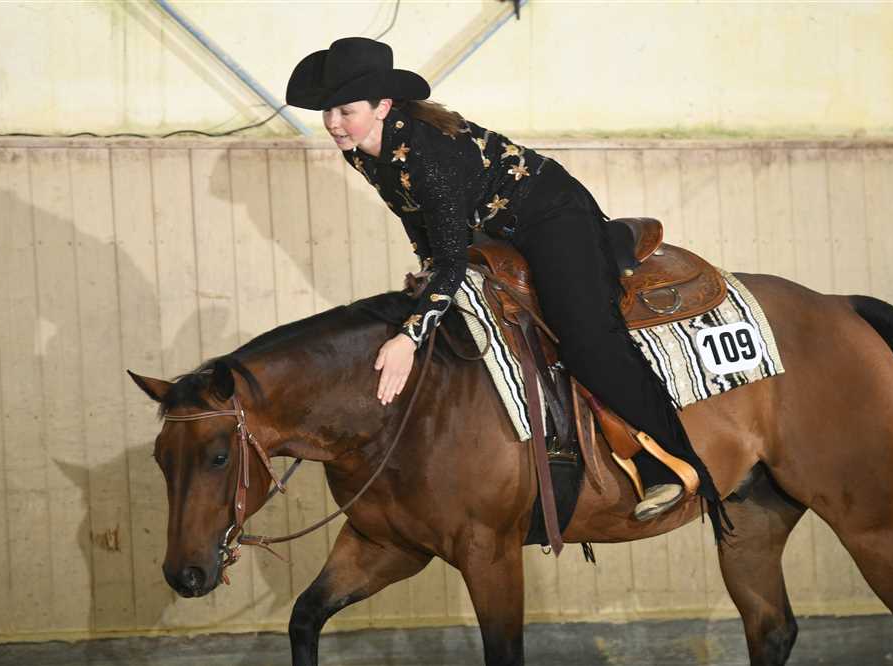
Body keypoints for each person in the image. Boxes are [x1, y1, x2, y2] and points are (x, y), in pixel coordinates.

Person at [287, 37, 722, 523]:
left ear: (382, 106)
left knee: (587, 340)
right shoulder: (361, 149)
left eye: (345, 111)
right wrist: (427, 270)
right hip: (492, 227)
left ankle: (675, 463)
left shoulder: (426, 154)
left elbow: (451, 258)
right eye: (328, 112)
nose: (333, 123)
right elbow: (416, 217)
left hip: (550, 215)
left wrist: (409, 338)